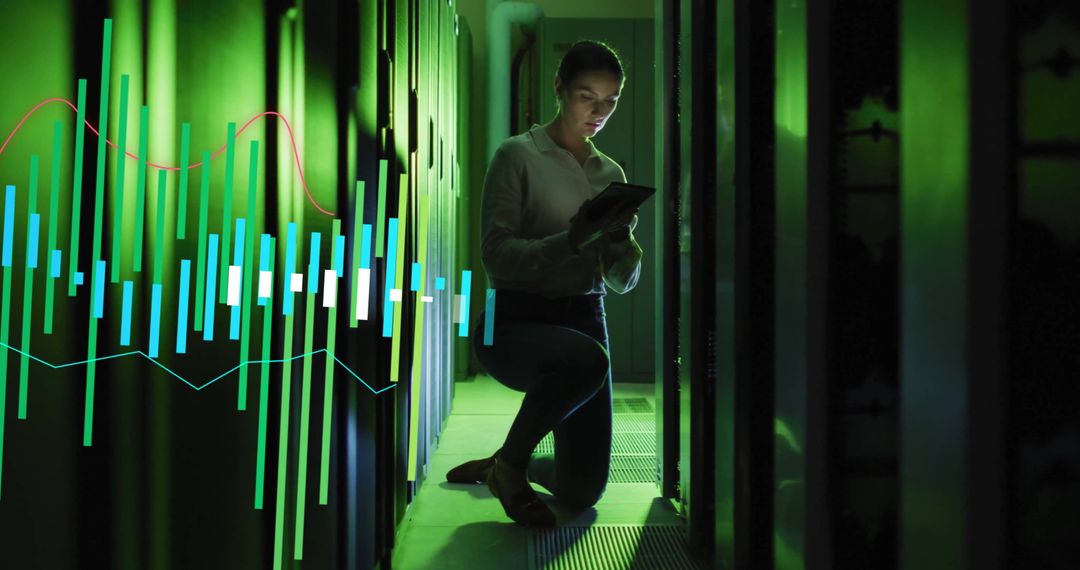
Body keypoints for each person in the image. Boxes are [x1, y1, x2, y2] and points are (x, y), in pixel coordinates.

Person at [445, 40, 644, 527]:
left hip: (585, 316)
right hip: (513, 319)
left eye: (611, 101)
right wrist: (572, 240)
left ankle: (507, 461)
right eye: (587, 96)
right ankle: (510, 470)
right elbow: (497, 259)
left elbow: (622, 283)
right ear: (559, 88)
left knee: (582, 490)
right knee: (588, 358)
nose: (599, 112)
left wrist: (622, 244)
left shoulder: (609, 173)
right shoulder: (516, 156)